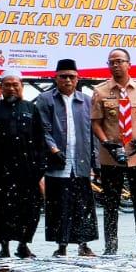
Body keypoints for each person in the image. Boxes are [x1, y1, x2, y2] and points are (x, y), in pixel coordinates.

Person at [91, 48, 136, 254]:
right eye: (111, 62)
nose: (115, 65)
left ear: (129, 64)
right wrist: (106, 143)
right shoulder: (100, 91)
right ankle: (111, 247)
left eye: (120, 61)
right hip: (111, 156)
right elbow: (96, 123)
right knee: (111, 204)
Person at [0, 70, 47, 258]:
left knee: (29, 209)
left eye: (15, 84)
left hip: (27, 170)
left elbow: (40, 139)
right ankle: (4, 247)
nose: (11, 88)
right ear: (1, 88)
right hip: (0, 170)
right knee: (1, 210)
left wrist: (40, 166)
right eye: (7, 85)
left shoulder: (31, 109)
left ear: (21, 87)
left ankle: (23, 245)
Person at [37, 58, 98, 257]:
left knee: (83, 203)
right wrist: (53, 149)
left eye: (71, 77)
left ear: (78, 78)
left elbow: (92, 133)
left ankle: (83, 244)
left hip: (80, 159)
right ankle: (61, 244)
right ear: (56, 78)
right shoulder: (46, 99)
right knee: (58, 203)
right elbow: (42, 128)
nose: (68, 80)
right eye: (63, 77)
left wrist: (94, 162)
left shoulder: (87, 101)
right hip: (57, 159)